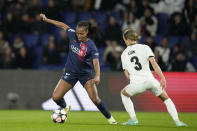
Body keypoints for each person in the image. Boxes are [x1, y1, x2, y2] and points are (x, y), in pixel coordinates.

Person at [39, 13, 117, 124]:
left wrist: (97, 75)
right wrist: (47, 20)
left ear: (87, 32)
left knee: (95, 99)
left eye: (81, 33)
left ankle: (111, 119)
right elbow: (62, 25)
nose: (79, 35)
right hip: (70, 72)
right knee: (56, 97)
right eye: (77, 32)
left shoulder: (91, 46)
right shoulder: (72, 35)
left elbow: (96, 62)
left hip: (85, 75)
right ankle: (66, 107)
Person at [120, 29, 187, 127]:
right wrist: (162, 78)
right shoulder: (145, 47)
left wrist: (136, 74)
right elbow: (154, 64)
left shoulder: (124, 54)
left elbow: (127, 75)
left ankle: (133, 119)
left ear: (126, 39)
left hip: (137, 84)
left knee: (123, 94)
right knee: (166, 98)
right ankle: (177, 122)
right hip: (150, 80)